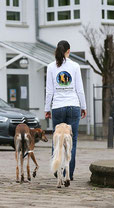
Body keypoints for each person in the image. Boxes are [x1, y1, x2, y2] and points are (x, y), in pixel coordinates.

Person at [45, 40, 87, 181]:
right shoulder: (75, 66)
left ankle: (57, 170)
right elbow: (80, 89)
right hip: (73, 106)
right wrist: (83, 106)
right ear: (68, 51)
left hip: (57, 107)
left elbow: (49, 91)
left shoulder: (51, 67)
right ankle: (69, 173)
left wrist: (47, 108)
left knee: (57, 140)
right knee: (72, 141)